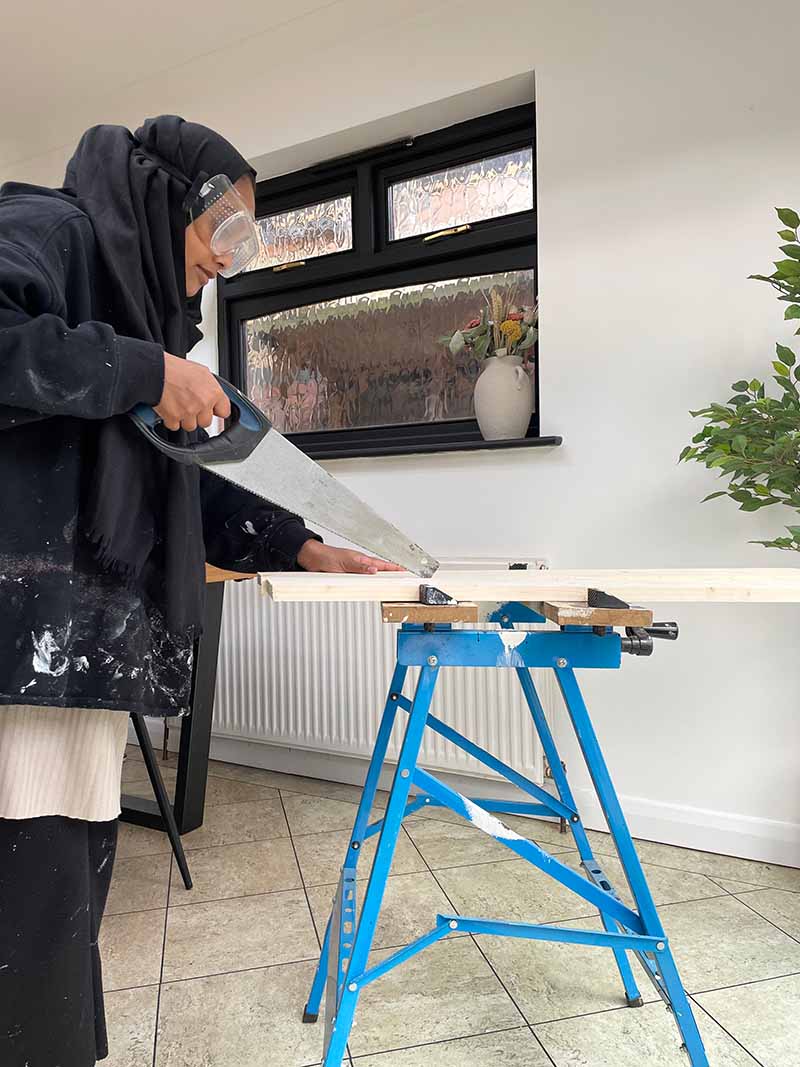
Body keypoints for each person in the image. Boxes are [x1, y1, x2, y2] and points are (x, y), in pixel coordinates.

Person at [0, 116, 400, 1067]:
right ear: (160, 197)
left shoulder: (141, 326)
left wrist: (302, 546)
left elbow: (180, 477)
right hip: (20, 647)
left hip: (71, 655)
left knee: (56, 902)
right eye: (224, 227)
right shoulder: (49, 229)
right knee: (29, 900)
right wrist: (145, 369)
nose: (232, 258)